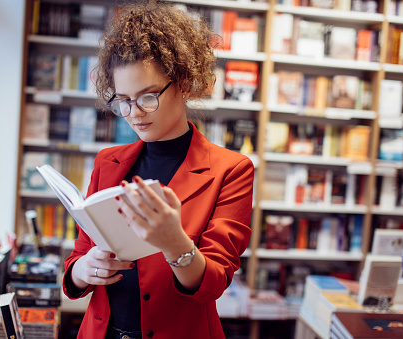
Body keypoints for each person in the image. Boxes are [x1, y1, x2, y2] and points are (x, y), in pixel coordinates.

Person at [62, 2, 254, 338]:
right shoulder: (108, 162)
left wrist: (175, 243)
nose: (135, 113)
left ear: (183, 84)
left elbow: (213, 283)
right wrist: (83, 270)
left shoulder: (231, 170)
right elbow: (78, 260)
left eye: (148, 97)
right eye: (123, 100)